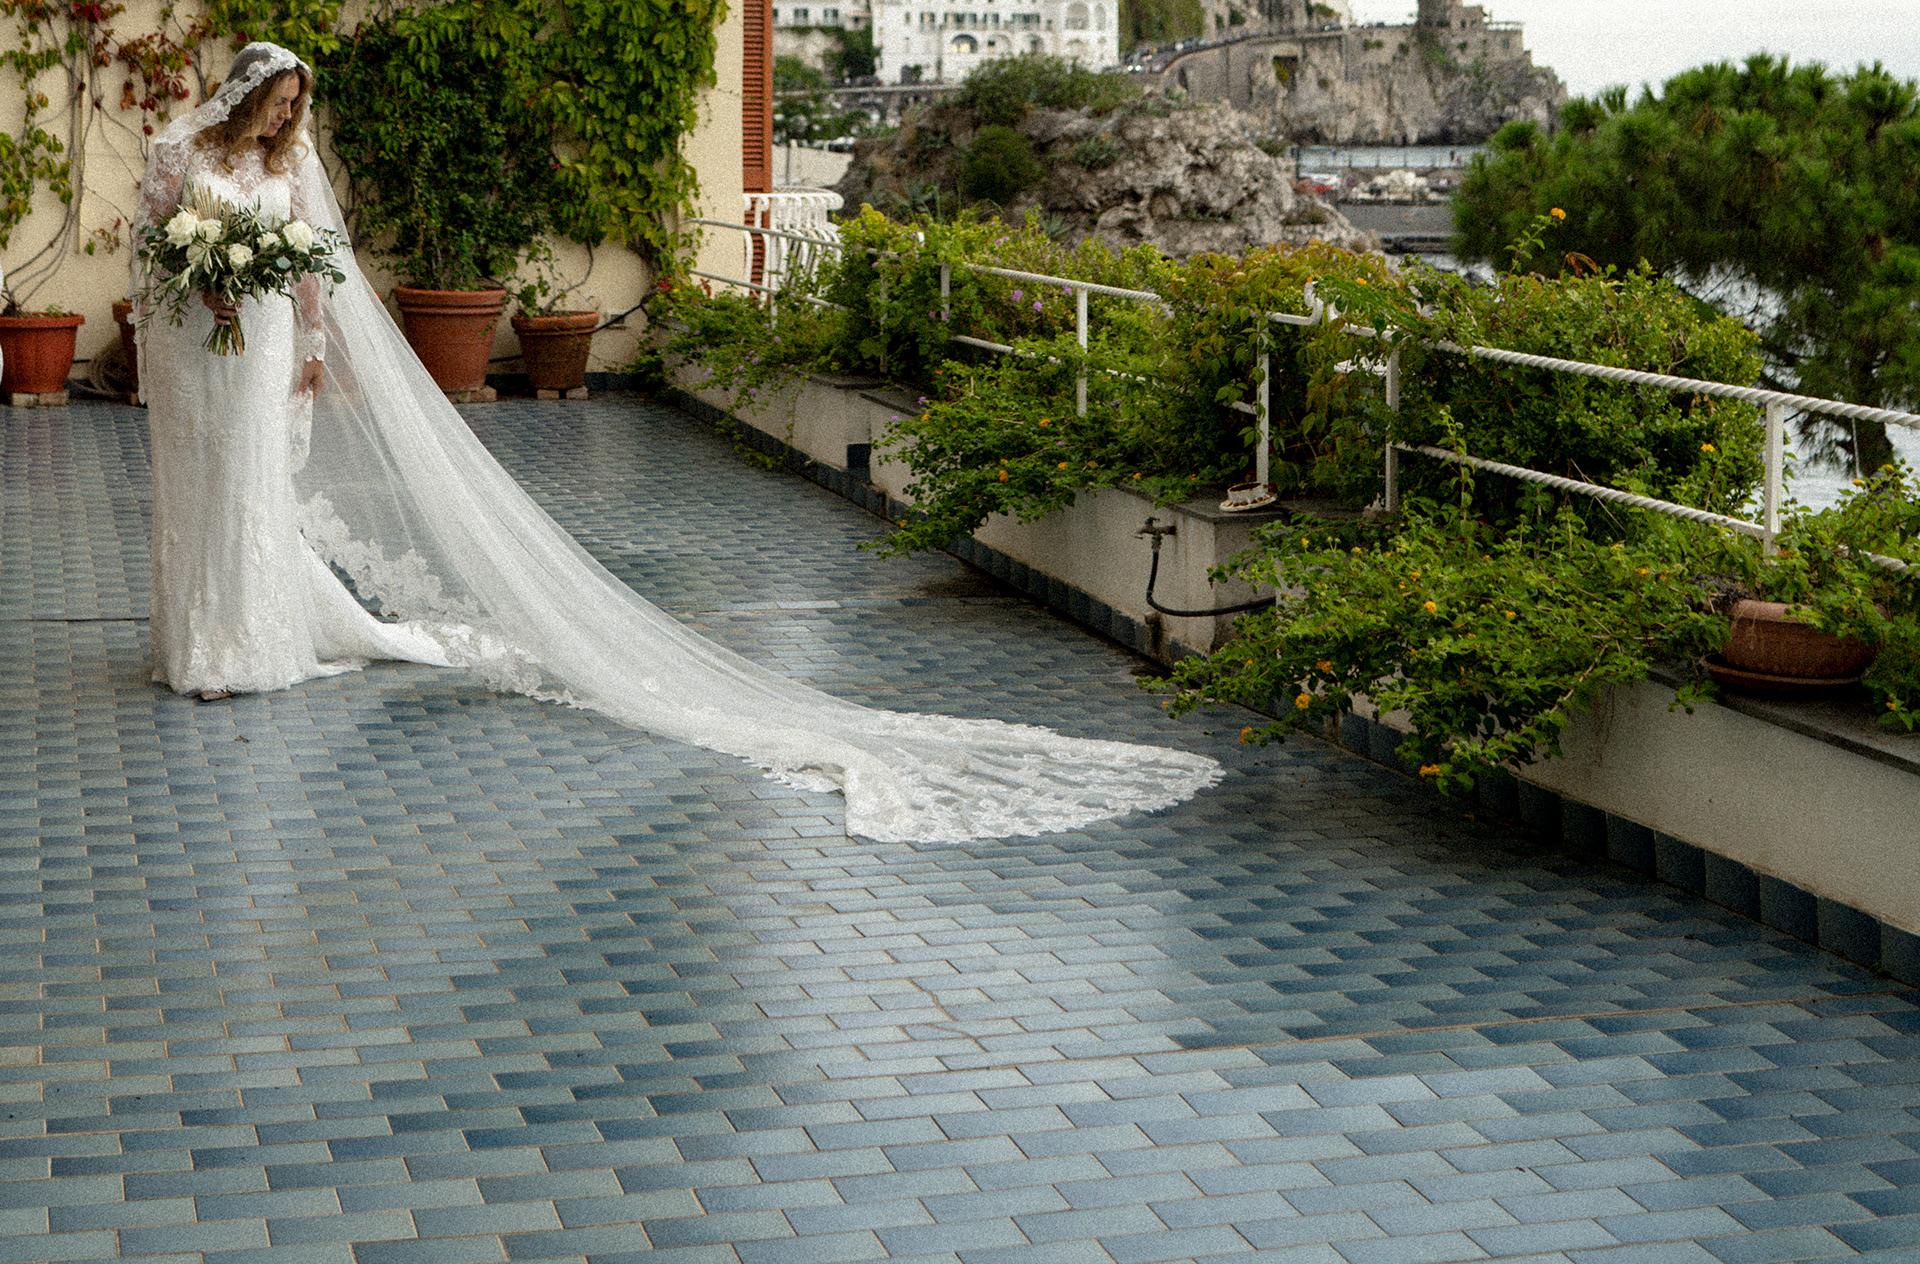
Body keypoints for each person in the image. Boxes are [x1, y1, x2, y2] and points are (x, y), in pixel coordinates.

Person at [134, 42, 1218, 842]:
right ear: (243, 93)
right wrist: (199, 293)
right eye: (277, 104)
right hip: (203, 341)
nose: (286, 120)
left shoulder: (287, 169)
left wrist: (312, 343)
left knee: (249, 487)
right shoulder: (182, 152)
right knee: (204, 482)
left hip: (262, 341)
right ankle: (196, 641)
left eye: (295, 107)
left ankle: (248, 645)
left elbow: (314, 267)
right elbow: (153, 249)